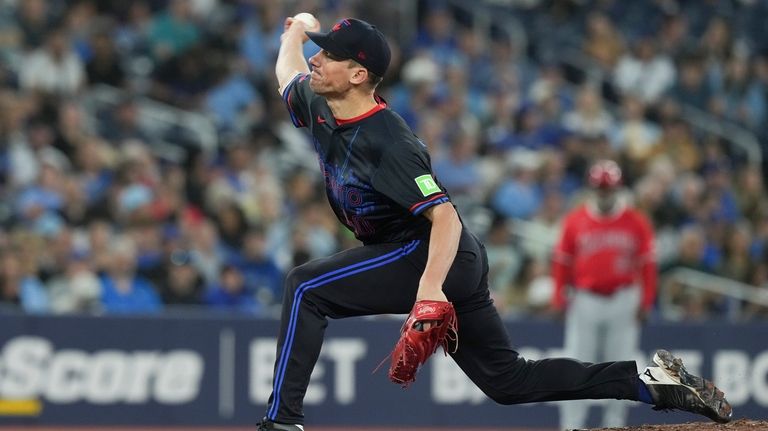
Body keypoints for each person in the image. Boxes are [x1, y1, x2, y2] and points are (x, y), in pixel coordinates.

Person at [259, 14, 732, 430]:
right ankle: (652, 385)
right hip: (430, 256)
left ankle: (282, 422)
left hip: (430, 251)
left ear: (359, 74)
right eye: (319, 53)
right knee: (509, 382)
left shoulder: (390, 143)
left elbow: (444, 218)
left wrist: (429, 291)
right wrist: (297, 34)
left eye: (329, 56)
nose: (316, 61)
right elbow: (287, 72)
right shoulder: (318, 102)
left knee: (306, 287)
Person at [552, 159, 657, 429]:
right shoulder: (575, 220)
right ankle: (572, 425)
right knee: (576, 365)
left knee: (621, 366)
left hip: (623, 298)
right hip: (585, 298)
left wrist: (646, 301)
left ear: (618, 189)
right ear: (592, 189)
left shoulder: (636, 221)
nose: (605, 194)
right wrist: (559, 298)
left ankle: (616, 424)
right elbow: (562, 262)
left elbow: (647, 265)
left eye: (609, 189)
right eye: (600, 189)